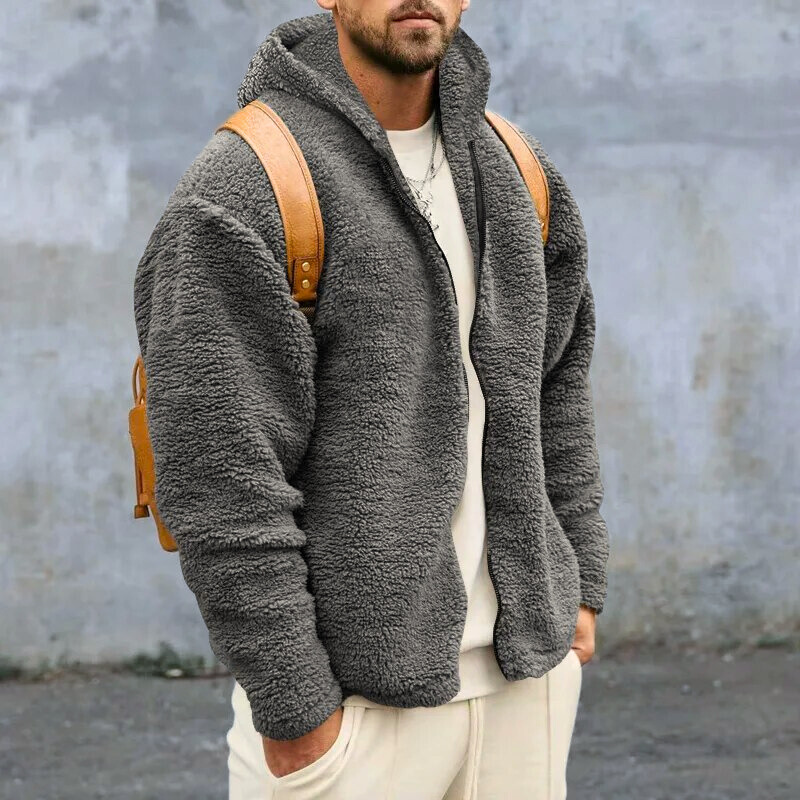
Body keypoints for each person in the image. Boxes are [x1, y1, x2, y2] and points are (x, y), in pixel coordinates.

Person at [132, 2, 610, 798]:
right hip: (355, 712)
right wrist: (294, 703)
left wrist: (580, 586)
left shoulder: (516, 168)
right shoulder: (251, 181)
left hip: (527, 684)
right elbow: (219, 472)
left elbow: (557, 389)